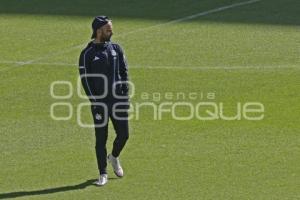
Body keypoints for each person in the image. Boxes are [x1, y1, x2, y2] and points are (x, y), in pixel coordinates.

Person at [78, 16, 129, 186]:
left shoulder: (116, 49)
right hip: (100, 103)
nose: (111, 31)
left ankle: (113, 157)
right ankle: (103, 173)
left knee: (124, 134)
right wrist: (94, 100)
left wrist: (125, 94)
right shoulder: (87, 54)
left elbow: (123, 72)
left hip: (117, 101)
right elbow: (85, 80)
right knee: (101, 138)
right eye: (108, 29)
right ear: (98, 31)